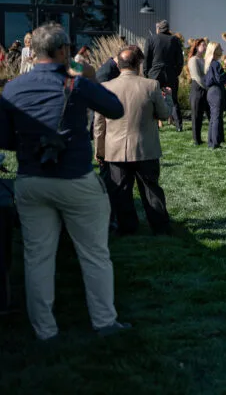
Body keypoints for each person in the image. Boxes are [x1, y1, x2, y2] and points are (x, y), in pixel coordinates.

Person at [0, 23, 129, 340]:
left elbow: (5, 138)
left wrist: (33, 144)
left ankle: (44, 330)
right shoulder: (76, 82)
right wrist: (82, 72)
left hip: (31, 179)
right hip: (74, 178)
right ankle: (104, 321)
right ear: (62, 52)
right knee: (94, 254)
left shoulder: (13, 88)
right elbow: (115, 108)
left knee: (37, 257)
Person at [93, 46, 173, 236]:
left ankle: (127, 226)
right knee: (151, 189)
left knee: (120, 191)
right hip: (145, 147)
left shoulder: (106, 87)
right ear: (138, 64)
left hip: (115, 148)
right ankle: (160, 226)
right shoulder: (151, 85)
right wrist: (167, 98)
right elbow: (164, 113)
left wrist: (99, 150)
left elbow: (99, 124)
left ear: (118, 64)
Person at [143, 19, 184, 131]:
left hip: (155, 73)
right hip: (170, 72)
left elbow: (146, 58)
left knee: (153, 99)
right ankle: (179, 126)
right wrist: (176, 72)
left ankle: (155, 125)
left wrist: (146, 73)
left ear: (158, 29)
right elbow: (180, 60)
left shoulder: (151, 39)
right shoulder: (174, 40)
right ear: (168, 29)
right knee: (174, 100)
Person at [204, 42, 226, 149]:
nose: (222, 50)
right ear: (215, 51)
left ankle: (212, 141)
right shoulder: (215, 64)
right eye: (220, 48)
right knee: (216, 117)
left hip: (210, 92)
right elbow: (221, 79)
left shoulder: (208, 63)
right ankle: (215, 143)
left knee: (213, 117)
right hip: (216, 92)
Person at [186, 38, 210, 146]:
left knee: (206, 115)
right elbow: (197, 77)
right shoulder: (193, 60)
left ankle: (210, 137)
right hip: (197, 89)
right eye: (203, 45)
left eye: (205, 45)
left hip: (205, 88)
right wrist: (207, 87)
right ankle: (196, 139)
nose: (205, 47)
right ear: (197, 46)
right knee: (196, 116)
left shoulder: (204, 60)